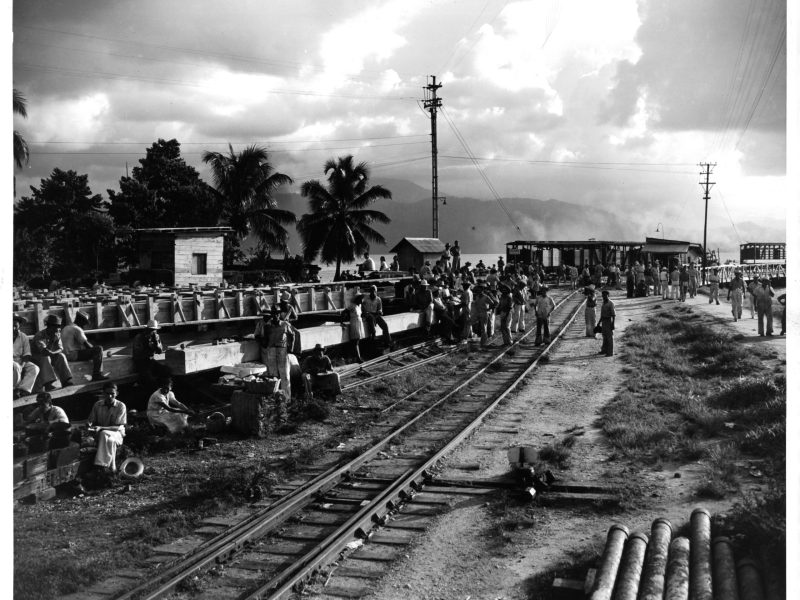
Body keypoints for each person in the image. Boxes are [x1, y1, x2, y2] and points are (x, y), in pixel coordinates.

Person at [87, 382, 127, 472]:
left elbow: (117, 427)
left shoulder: (121, 406)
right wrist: (89, 424)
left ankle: (100, 464)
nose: (109, 396)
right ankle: (112, 468)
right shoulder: (98, 405)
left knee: (104, 433)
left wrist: (101, 428)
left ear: (116, 394)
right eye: (107, 393)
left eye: (112, 394)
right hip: (103, 435)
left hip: (117, 434)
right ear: (103, 393)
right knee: (110, 441)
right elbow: (91, 420)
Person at [255, 305, 294, 397]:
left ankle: (287, 398)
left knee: (285, 375)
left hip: (282, 350)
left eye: (277, 314)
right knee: (273, 376)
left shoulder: (285, 324)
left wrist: (291, 347)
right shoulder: (267, 326)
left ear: (279, 314)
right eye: (273, 314)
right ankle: (275, 398)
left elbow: (292, 335)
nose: (275, 316)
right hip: (271, 350)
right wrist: (265, 345)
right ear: (271, 315)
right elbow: (262, 338)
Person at [61, 311, 109, 382]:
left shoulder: (66, 327)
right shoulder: (77, 329)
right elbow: (88, 346)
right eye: (84, 322)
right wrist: (100, 354)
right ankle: (97, 374)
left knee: (93, 351)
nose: (84, 325)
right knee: (98, 349)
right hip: (73, 355)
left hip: (66, 355)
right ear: (81, 321)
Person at [31, 314, 73, 392]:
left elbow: (60, 348)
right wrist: (52, 342)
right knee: (45, 357)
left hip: (49, 356)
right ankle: (48, 384)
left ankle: (66, 380)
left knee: (61, 356)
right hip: (36, 359)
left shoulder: (57, 334)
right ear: (49, 326)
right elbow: (44, 351)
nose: (57, 328)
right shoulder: (39, 335)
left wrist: (54, 353)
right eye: (55, 326)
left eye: (58, 326)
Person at [132, 319, 170, 390]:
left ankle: (165, 389)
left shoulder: (156, 336)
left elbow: (160, 352)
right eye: (151, 330)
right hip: (142, 361)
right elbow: (137, 354)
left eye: (154, 330)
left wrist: (156, 344)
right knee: (150, 378)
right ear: (147, 329)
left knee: (166, 370)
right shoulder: (139, 337)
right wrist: (148, 346)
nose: (153, 331)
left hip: (152, 359)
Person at [13, 315, 39, 399]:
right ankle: (14, 389)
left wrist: (22, 365)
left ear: (19, 326)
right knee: (15, 366)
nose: (13, 328)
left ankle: (22, 389)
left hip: (20, 360)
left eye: (15, 326)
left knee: (34, 368)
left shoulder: (23, 336)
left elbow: (27, 354)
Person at [342, 295, 365, 363]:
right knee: (355, 340)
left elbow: (361, 314)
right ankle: (358, 357)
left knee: (357, 340)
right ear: (357, 299)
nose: (361, 301)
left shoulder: (359, 306)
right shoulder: (352, 305)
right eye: (360, 299)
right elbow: (344, 312)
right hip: (354, 322)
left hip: (359, 322)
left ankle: (358, 357)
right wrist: (342, 320)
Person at [598, 290, 616, 356]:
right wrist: (599, 322)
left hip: (609, 320)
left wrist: (613, 324)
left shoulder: (611, 303)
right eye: (603, 295)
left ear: (608, 295)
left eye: (605, 295)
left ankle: (610, 352)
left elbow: (613, 315)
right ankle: (604, 350)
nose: (603, 296)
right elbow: (602, 314)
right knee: (604, 336)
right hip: (604, 321)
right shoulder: (603, 303)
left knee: (609, 337)